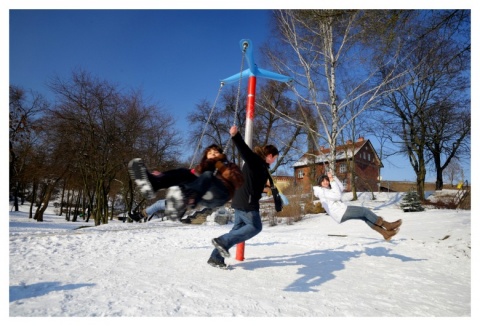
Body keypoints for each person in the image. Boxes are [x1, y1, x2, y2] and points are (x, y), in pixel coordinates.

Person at [208, 125, 279, 269]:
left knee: (237, 231)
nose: (275, 161)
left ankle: (216, 257)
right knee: (255, 226)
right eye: (275, 158)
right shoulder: (257, 162)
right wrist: (236, 136)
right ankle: (222, 241)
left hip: (240, 200)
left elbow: (252, 181)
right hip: (247, 202)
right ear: (270, 156)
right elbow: (245, 151)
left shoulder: (261, 166)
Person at [128, 144, 239, 221]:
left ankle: (183, 203)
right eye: (210, 153)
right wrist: (162, 176)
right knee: (183, 172)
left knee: (207, 176)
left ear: (221, 154)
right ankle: (155, 184)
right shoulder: (203, 168)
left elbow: (238, 181)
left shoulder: (228, 165)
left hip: (221, 195)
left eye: (215, 152)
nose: (213, 154)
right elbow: (187, 175)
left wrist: (221, 166)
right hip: (204, 197)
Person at [313, 172, 402, 241]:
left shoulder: (326, 190)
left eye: (327, 180)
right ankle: (388, 225)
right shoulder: (322, 192)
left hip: (340, 212)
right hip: (340, 212)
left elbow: (340, 188)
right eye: (323, 181)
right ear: (320, 183)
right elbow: (337, 196)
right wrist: (332, 180)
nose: (326, 182)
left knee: (365, 217)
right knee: (364, 211)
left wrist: (334, 177)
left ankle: (385, 234)